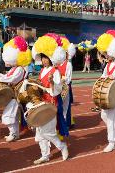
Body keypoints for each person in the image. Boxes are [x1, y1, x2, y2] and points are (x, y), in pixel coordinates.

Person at [30, 34, 69, 164]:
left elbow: (56, 91)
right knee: (39, 131)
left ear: (51, 57)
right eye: (42, 57)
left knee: (49, 132)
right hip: (42, 102)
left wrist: (52, 83)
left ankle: (62, 146)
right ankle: (44, 155)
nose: (44, 60)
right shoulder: (42, 71)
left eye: (46, 57)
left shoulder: (55, 71)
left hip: (51, 103)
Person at [0, 36, 32, 142]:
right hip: (13, 96)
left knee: (9, 115)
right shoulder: (15, 68)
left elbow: (12, 79)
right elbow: (8, 77)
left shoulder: (19, 69)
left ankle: (14, 133)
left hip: (17, 96)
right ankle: (14, 133)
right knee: (13, 116)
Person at [59, 36, 77, 128]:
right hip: (59, 87)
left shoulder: (68, 64)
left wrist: (62, 80)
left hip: (65, 87)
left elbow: (68, 78)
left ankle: (68, 123)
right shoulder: (57, 63)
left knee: (67, 106)